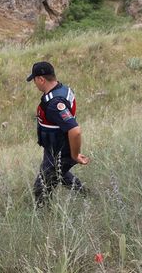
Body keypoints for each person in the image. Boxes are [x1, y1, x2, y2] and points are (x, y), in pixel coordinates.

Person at [27, 61, 90, 206]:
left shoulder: (55, 103)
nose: (35, 84)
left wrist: (75, 155)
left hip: (60, 151)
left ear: (41, 79)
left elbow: (75, 130)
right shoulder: (62, 89)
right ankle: (86, 195)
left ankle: (44, 218)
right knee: (61, 174)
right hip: (53, 147)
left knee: (40, 188)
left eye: (35, 80)